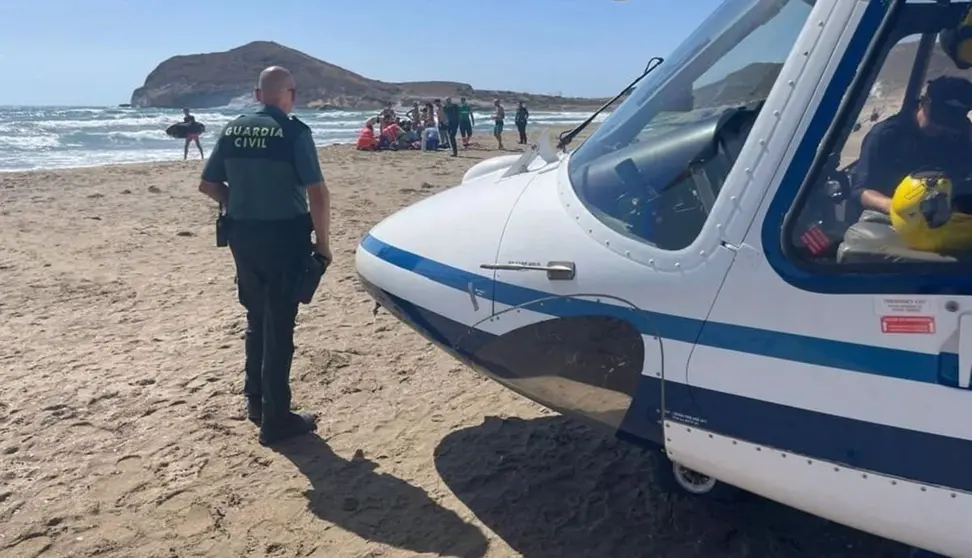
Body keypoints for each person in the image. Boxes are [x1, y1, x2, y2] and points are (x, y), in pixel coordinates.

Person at [197, 65, 332, 446]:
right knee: (280, 326)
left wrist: (238, 200)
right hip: (283, 236)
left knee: (257, 316)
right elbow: (318, 193)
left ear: (258, 96)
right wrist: (323, 243)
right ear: (291, 94)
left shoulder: (233, 128)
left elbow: (208, 185)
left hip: (243, 235)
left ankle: (255, 401)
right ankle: (277, 418)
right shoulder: (293, 132)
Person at [850, 76, 972, 221]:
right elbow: (862, 191)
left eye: (950, 125)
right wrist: (899, 208)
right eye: (937, 121)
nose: (941, 129)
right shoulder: (887, 135)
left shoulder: (960, 132)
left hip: (948, 214)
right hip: (895, 219)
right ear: (924, 103)